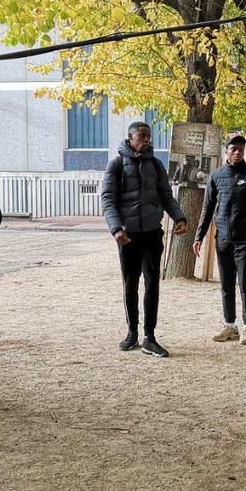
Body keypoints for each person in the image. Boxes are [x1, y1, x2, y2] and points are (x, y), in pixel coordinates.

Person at [100, 120, 188, 358]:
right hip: (127, 236)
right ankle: (132, 333)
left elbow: (166, 196)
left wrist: (179, 217)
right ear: (130, 138)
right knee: (130, 285)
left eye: (148, 136)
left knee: (152, 284)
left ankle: (150, 337)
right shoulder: (116, 165)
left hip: (151, 233)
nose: (146, 140)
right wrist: (116, 229)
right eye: (141, 136)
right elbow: (107, 199)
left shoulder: (156, 165)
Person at [192, 134, 246, 346]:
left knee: (245, 284)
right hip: (222, 240)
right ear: (226, 151)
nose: (237, 152)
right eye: (233, 149)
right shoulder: (216, 176)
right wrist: (199, 236)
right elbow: (207, 209)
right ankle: (230, 326)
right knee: (226, 285)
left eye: (241, 150)